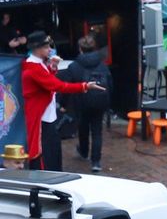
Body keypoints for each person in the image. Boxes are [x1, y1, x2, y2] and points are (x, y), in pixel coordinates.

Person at [20, 31, 102, 171]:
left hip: (46, 115)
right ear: (38, 49)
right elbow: (58, 86)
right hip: (41, 117)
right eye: (46, 47)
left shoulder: (38, 64)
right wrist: (84, 86)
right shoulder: (33, 67)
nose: (50, 50)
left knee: (52, 149)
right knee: (44, 152)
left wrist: (52, 67)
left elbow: (47, 82)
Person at [65, 35, 112, 172]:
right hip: (100, 101)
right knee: (97, 131)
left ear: (80, 49)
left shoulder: (73, 66)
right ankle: (96, 161)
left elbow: (66, 86)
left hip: (81, 101)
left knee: (83, 127)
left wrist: (63, 104)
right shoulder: (102, 65)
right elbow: (110, 83)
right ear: (94, 47)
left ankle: (84, 151)